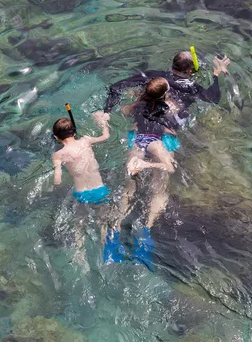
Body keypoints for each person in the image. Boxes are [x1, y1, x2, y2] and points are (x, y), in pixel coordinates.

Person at [99, 51, 231, 269]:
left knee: (127, 188)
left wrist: (106, 112)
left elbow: (115, 88)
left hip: (137, 137)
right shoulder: (191, 89)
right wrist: (217, 73)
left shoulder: (153, 80)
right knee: (159, 191)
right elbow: (213, 99)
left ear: (172, 65)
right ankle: (146, 234)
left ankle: (112, 235)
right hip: (164, 142)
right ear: (191, 70)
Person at [52, 112, 121, 265]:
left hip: (81, 193)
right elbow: (105, 136)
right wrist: (103, 122)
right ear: (74, 132)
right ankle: (107, 252)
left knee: (79, 224)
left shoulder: (59, 154)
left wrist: (55, 184)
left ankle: (80, 255)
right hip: (99, 190)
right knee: (102, 223)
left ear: (56, 137)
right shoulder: (86, 140)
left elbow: (57, 180)